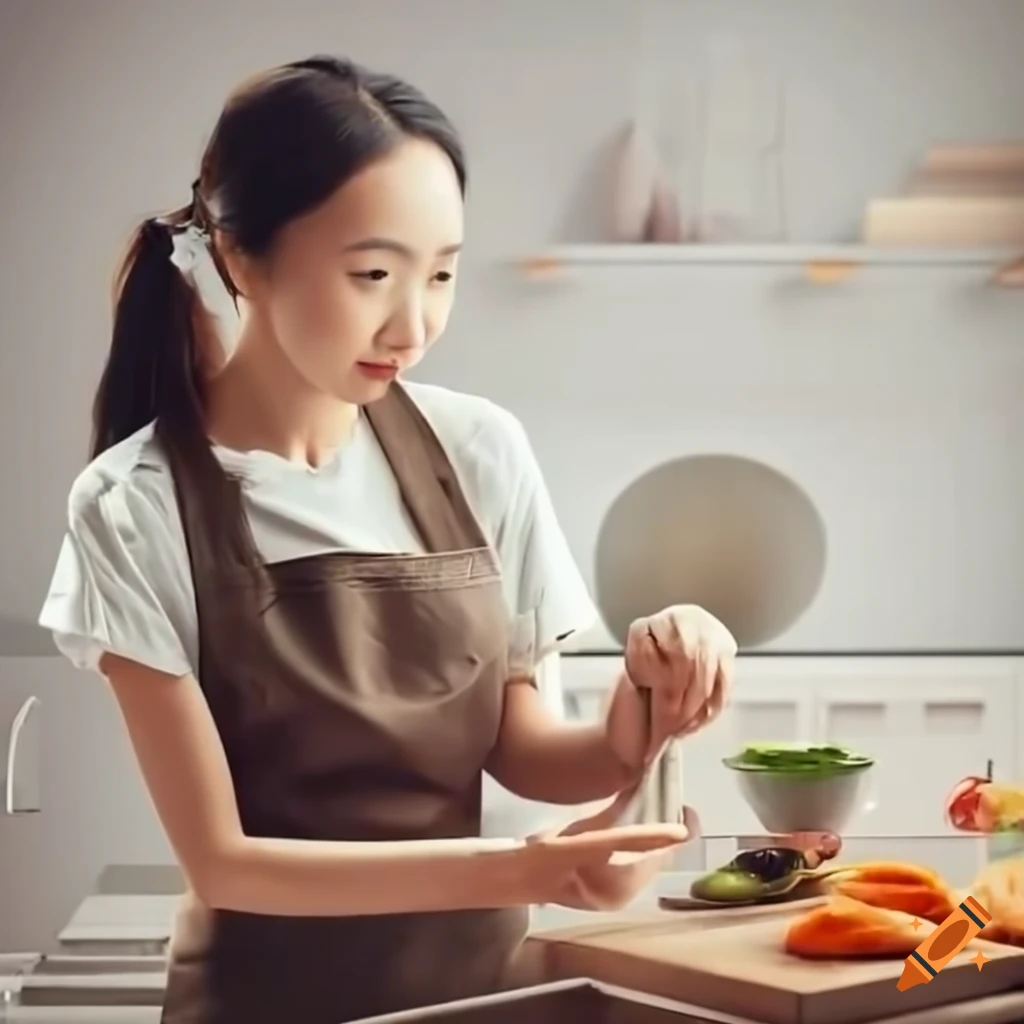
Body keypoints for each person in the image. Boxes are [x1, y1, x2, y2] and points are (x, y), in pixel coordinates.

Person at [38, 55, 738, 1024]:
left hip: (485, 995)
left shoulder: (477, 448)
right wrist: (524, 866)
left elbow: (529, 750)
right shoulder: (132, 503)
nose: (413, 324)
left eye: (441, 272)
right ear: (243, 257)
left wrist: (649, 689)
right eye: (372, 273)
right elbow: (223, 862)